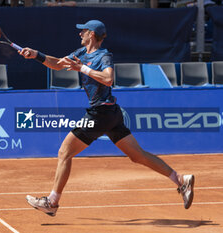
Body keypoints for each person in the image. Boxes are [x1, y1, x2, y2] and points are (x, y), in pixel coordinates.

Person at [19, 20, 195, 216]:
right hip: (111, 114)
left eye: (83, 31)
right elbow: (58, 65)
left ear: (92, 34)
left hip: (100, 113)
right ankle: (180, 180)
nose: (80, 34)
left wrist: (83, 69)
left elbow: (108, 78)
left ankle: (52, 202)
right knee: (138, 156)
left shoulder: (104, 56)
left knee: (64, 153)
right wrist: (36, 55)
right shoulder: (80, 53)